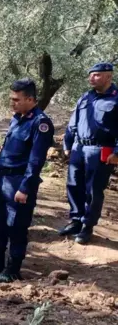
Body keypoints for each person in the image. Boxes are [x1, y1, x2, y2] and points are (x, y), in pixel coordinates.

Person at [0, 79, 54, 283]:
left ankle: (13, 269)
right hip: (4, 180)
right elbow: (6, 148)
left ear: (30, 99)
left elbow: (36, 160)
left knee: (16, 226)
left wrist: (25, 187)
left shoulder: (40, 123)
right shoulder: (17, 118)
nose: (12, 103)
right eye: (11, 99)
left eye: (16, 100)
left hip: (20, 182)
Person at [59, 62, 118, 244]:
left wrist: (117, 152)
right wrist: (67, 143)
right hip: (79, 148)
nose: (91, 78)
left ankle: (87, 226)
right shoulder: (85, 97)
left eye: (97, 75)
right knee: (73, 184)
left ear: (109, 77)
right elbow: (73, 122)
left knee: (93, 190)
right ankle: (76, 220)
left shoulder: (116, 99)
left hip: (100, 150)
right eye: (91, 75)